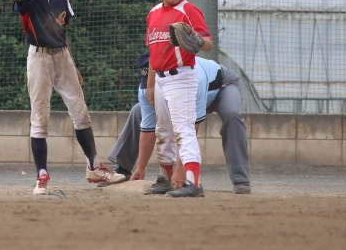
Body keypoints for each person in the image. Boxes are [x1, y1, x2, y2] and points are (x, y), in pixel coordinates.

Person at [12, 0, 126, 196]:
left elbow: (62, 35)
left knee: (81, 113)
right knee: (40, 117)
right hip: (39, 58)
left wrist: (73, 65)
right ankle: (42, 175)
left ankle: (94, 167)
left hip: (62, 57)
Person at [107, 53, 252, 194]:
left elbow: (190, 128)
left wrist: (182, 169)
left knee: (231, 115)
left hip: (221, 86)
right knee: (138, 111)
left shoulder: (193, 77)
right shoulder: (147, 87)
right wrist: (141, 168)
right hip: (186, 91)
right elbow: (148, 129)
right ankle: (122, 169)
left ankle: (241, 180)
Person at [145, 0, 212, 197]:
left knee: (183, 129)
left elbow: (208, 43)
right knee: (163, 130)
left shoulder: (189, 10)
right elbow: (153, 52)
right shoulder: (153, 13)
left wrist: (196, 40)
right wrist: (150, 85)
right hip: (160, 79)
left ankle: (193, 182)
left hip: (181, 76)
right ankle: (164, 178)